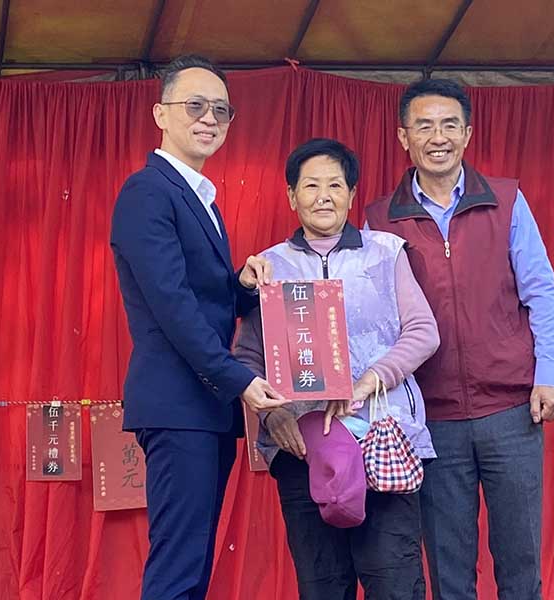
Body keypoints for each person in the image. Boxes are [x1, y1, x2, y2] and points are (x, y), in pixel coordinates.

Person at [364, 79, 554, 600]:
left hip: (511, 411)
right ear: (403, 137)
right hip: (430, 420)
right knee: (449, 571)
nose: (439, 137)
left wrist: (549, 375)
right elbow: (365, 311)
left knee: (520, 564)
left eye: (450, 125)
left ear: (468, 133)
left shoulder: (507, 201)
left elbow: (542, 292)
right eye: (424, 126)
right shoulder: (378, 221)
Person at [110, 55, 287, 600]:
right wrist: (238, 379)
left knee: (193, 566)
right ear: (160, 113)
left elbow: (201, 298)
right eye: (194, 105)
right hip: (178, 404)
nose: (209, 118)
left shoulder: (198, 197)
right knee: (178, 568)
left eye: (221, 110)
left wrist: (242, 286)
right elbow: (171, 305)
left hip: (203, 408)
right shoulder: (148, 192)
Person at [235, 138, 440, 600]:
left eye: (335, 185)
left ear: (351, 193)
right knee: (322, 585)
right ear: (292, 196)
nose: (323, 196)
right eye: (311, 186)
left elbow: (424, 332)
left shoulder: (386, 252)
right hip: (304, 451)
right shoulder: (269, 266)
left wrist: (370, 380)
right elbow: (248, 358)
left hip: (383, 439)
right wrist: (272, 414)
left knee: (395, 583)